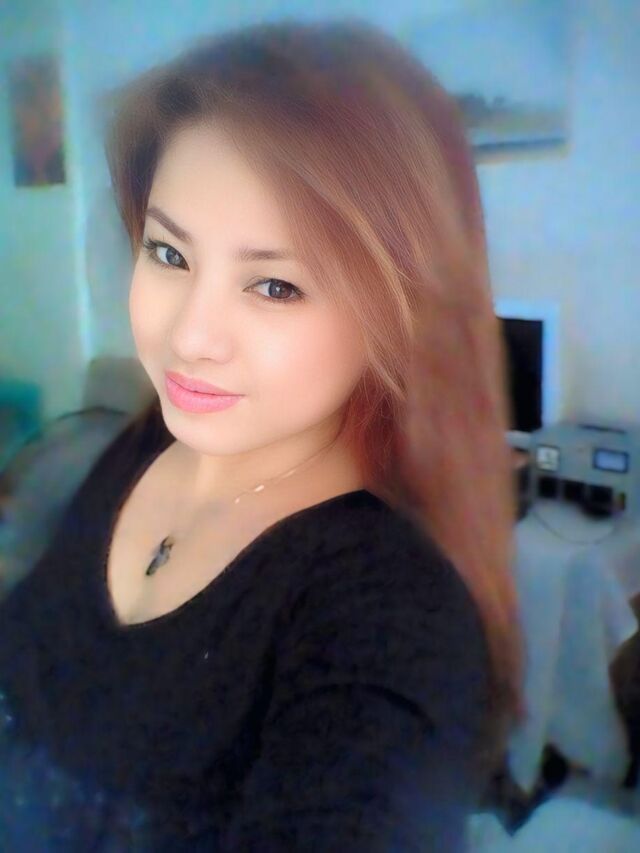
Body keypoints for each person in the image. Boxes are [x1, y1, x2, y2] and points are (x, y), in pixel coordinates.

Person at [0, 18, 524, 851]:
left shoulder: (388, 621)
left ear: (399, 314)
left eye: (275, 285)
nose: (189, 336)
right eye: (169, 254)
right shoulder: (148, 443)